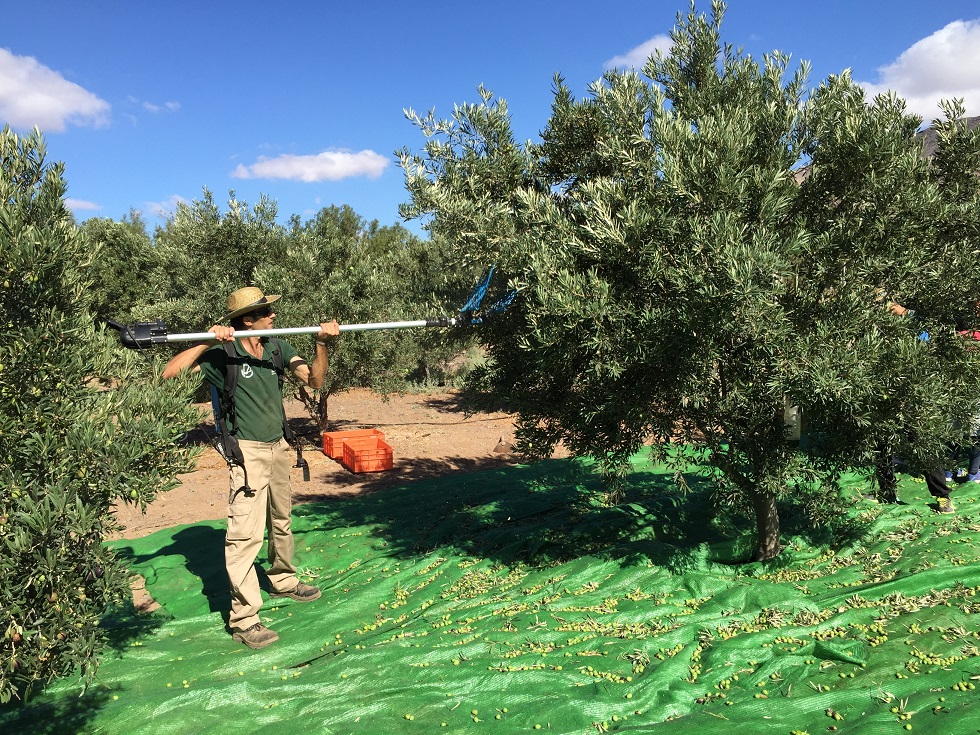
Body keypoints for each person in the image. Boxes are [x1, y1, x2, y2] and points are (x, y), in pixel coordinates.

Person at [163, 287, 340, 648]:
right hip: (247, 452)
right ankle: (245, 619)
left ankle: (283, 580)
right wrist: (204, 339)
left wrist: (321, 344)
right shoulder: (221, 352)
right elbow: (169, 375)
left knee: (281, 518)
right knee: (245, 534)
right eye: (265, 312)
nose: (273, 316)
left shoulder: (276, 346)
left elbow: (315, 380)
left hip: (278, 445)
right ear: (246, 319)